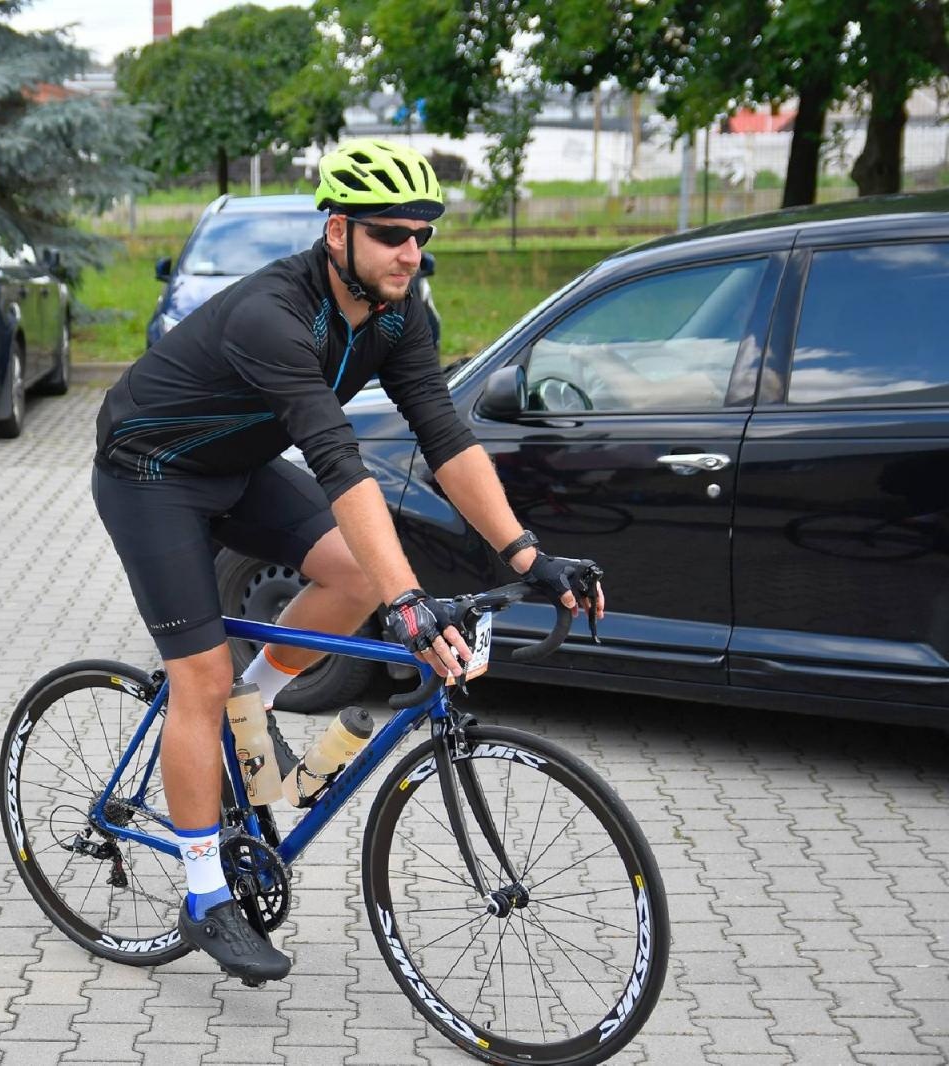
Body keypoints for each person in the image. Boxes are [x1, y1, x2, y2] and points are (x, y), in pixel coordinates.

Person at [92, 139, 604, 984]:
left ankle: (252, 710)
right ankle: (202, 892)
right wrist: (412, 602)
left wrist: (526, 553)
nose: (412, 250)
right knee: (200, 678)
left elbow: (444, 435)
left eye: (422, 234)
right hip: (152, 473)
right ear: (340, 233)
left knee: (354, 576)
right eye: (392, 234)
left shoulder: (402, 314)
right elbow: (339, 462)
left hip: (239, 462)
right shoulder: (274, 314)